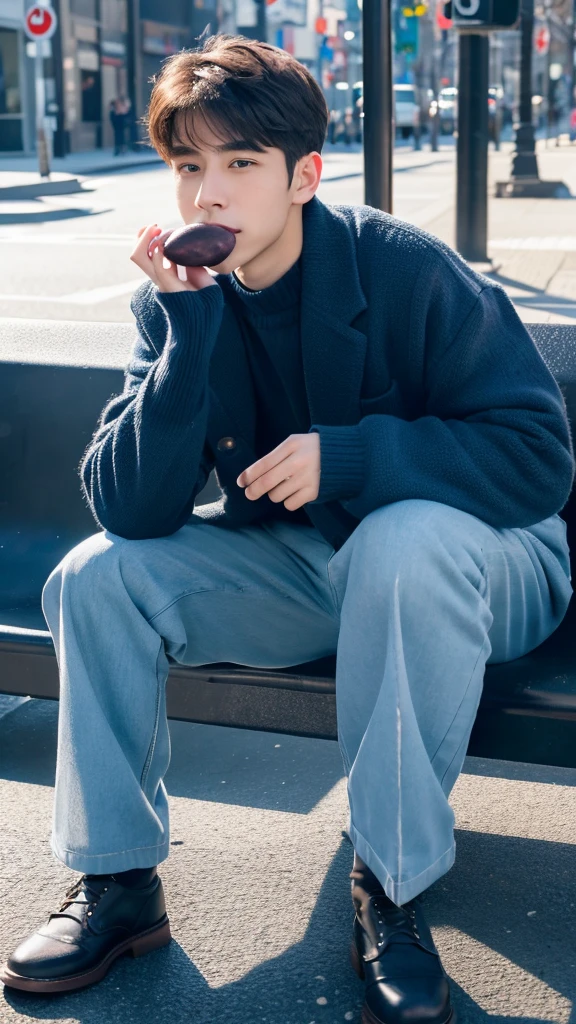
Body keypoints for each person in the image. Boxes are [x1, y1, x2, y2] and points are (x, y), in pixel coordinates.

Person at [1, 33, 573, 1022]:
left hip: (490, 557)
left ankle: (389, 887)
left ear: (304, 175)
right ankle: (119, 882)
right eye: (187, 166)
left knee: (400, 543)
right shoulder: (183, 302)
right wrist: (186, 337)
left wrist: (353, 455)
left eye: (239, 164)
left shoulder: (405, 272)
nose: (206, 194)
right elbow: (133, 511)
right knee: (97, 577)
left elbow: (537, 459)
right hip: (315, 567)